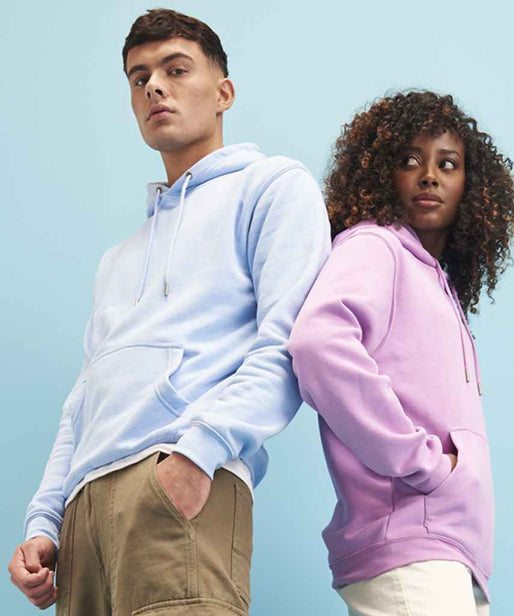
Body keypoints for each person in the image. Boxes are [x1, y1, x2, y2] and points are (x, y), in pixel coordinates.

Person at [8, 9, 330, 614]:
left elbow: (289, 345)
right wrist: (45, 520)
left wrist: (197, 454)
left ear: (223, 92)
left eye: (176, 70)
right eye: (139, 78)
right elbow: (82, 401)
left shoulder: (272, 188)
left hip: (178, 483)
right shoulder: (117, 259)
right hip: (81, 518)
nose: (154, 86)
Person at [287, 91, 514, 616]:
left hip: (452, 554)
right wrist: (423, 464)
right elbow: (317, 344)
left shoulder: (436, 282)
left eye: (447, 164)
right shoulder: (376, 246)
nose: (429, 176)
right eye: (410, 160)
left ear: (472, 185)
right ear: (380, 175)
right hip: (412, 546)